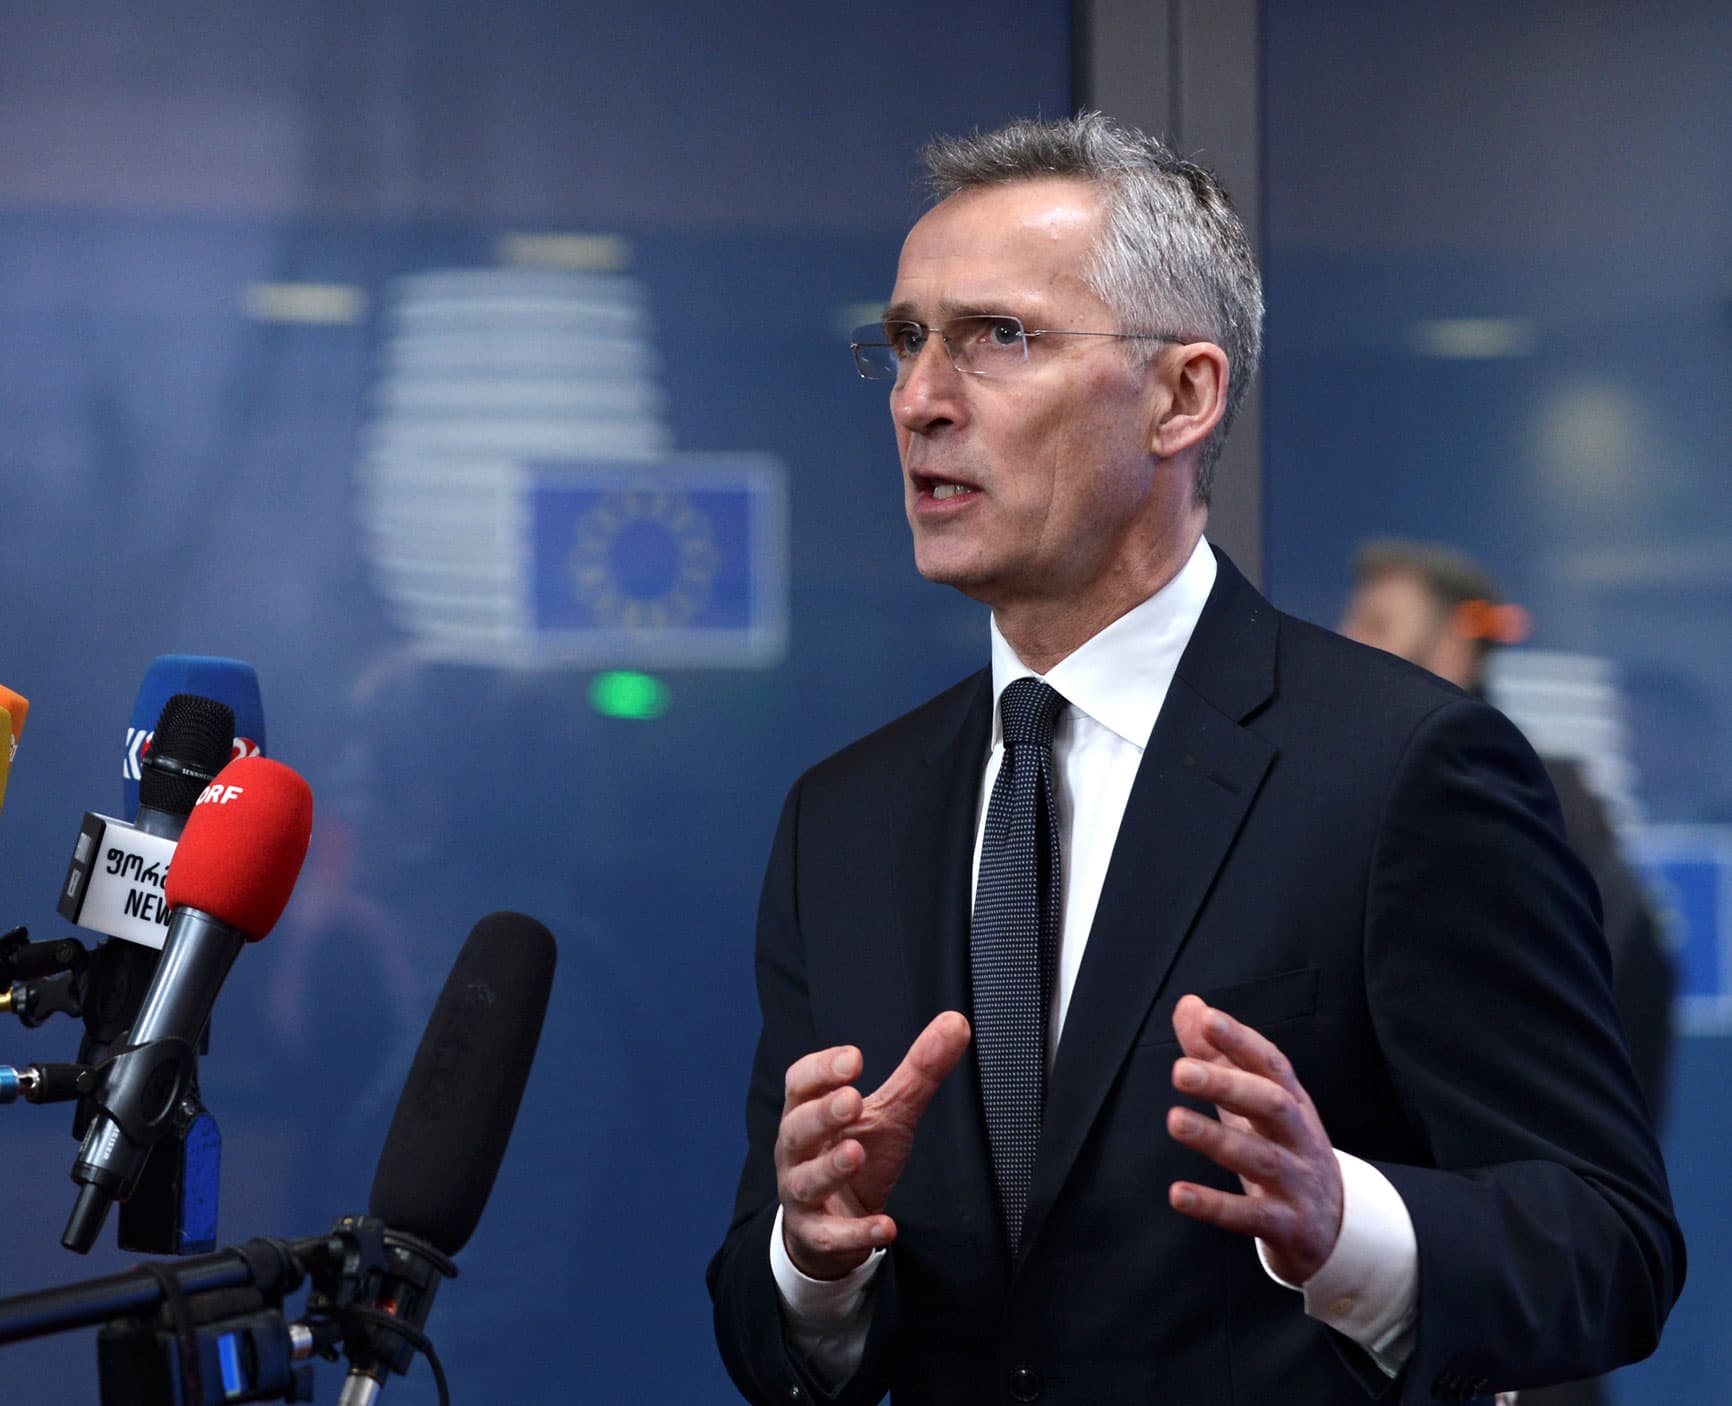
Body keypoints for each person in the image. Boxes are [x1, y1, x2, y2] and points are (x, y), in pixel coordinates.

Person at [707, 113, 1680, 1406]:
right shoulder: (845, 816)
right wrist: (814, 1262)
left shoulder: (1404, 771)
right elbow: (765, 1329)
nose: (922, 399)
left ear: (1183, 395)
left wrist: (1347, 1227)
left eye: (999, 336)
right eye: (904, 340)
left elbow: (1608, 1246)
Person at [1340, 539, 1679, 1406]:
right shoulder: (1330, 801)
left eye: (1377, 623)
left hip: (1501, 1311)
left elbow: (1612, 1041)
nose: (1345, 640)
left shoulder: (1537, 806)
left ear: (1455, 645)